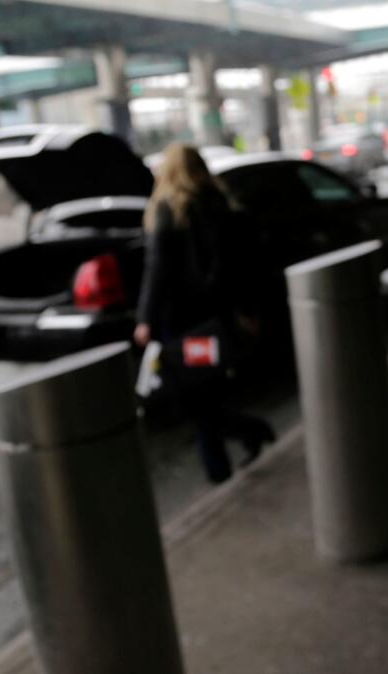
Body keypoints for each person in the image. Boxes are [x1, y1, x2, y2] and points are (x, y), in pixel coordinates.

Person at [134, 143, 274, 484]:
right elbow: (242, 263)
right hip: (216, 317)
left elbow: (158, 269)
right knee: (204, 391)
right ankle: (240, 444)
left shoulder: (167, 209)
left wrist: (144, 319)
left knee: (193, 399)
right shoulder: (220, 203)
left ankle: (229, 459)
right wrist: (245, 310)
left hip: (183, 321)